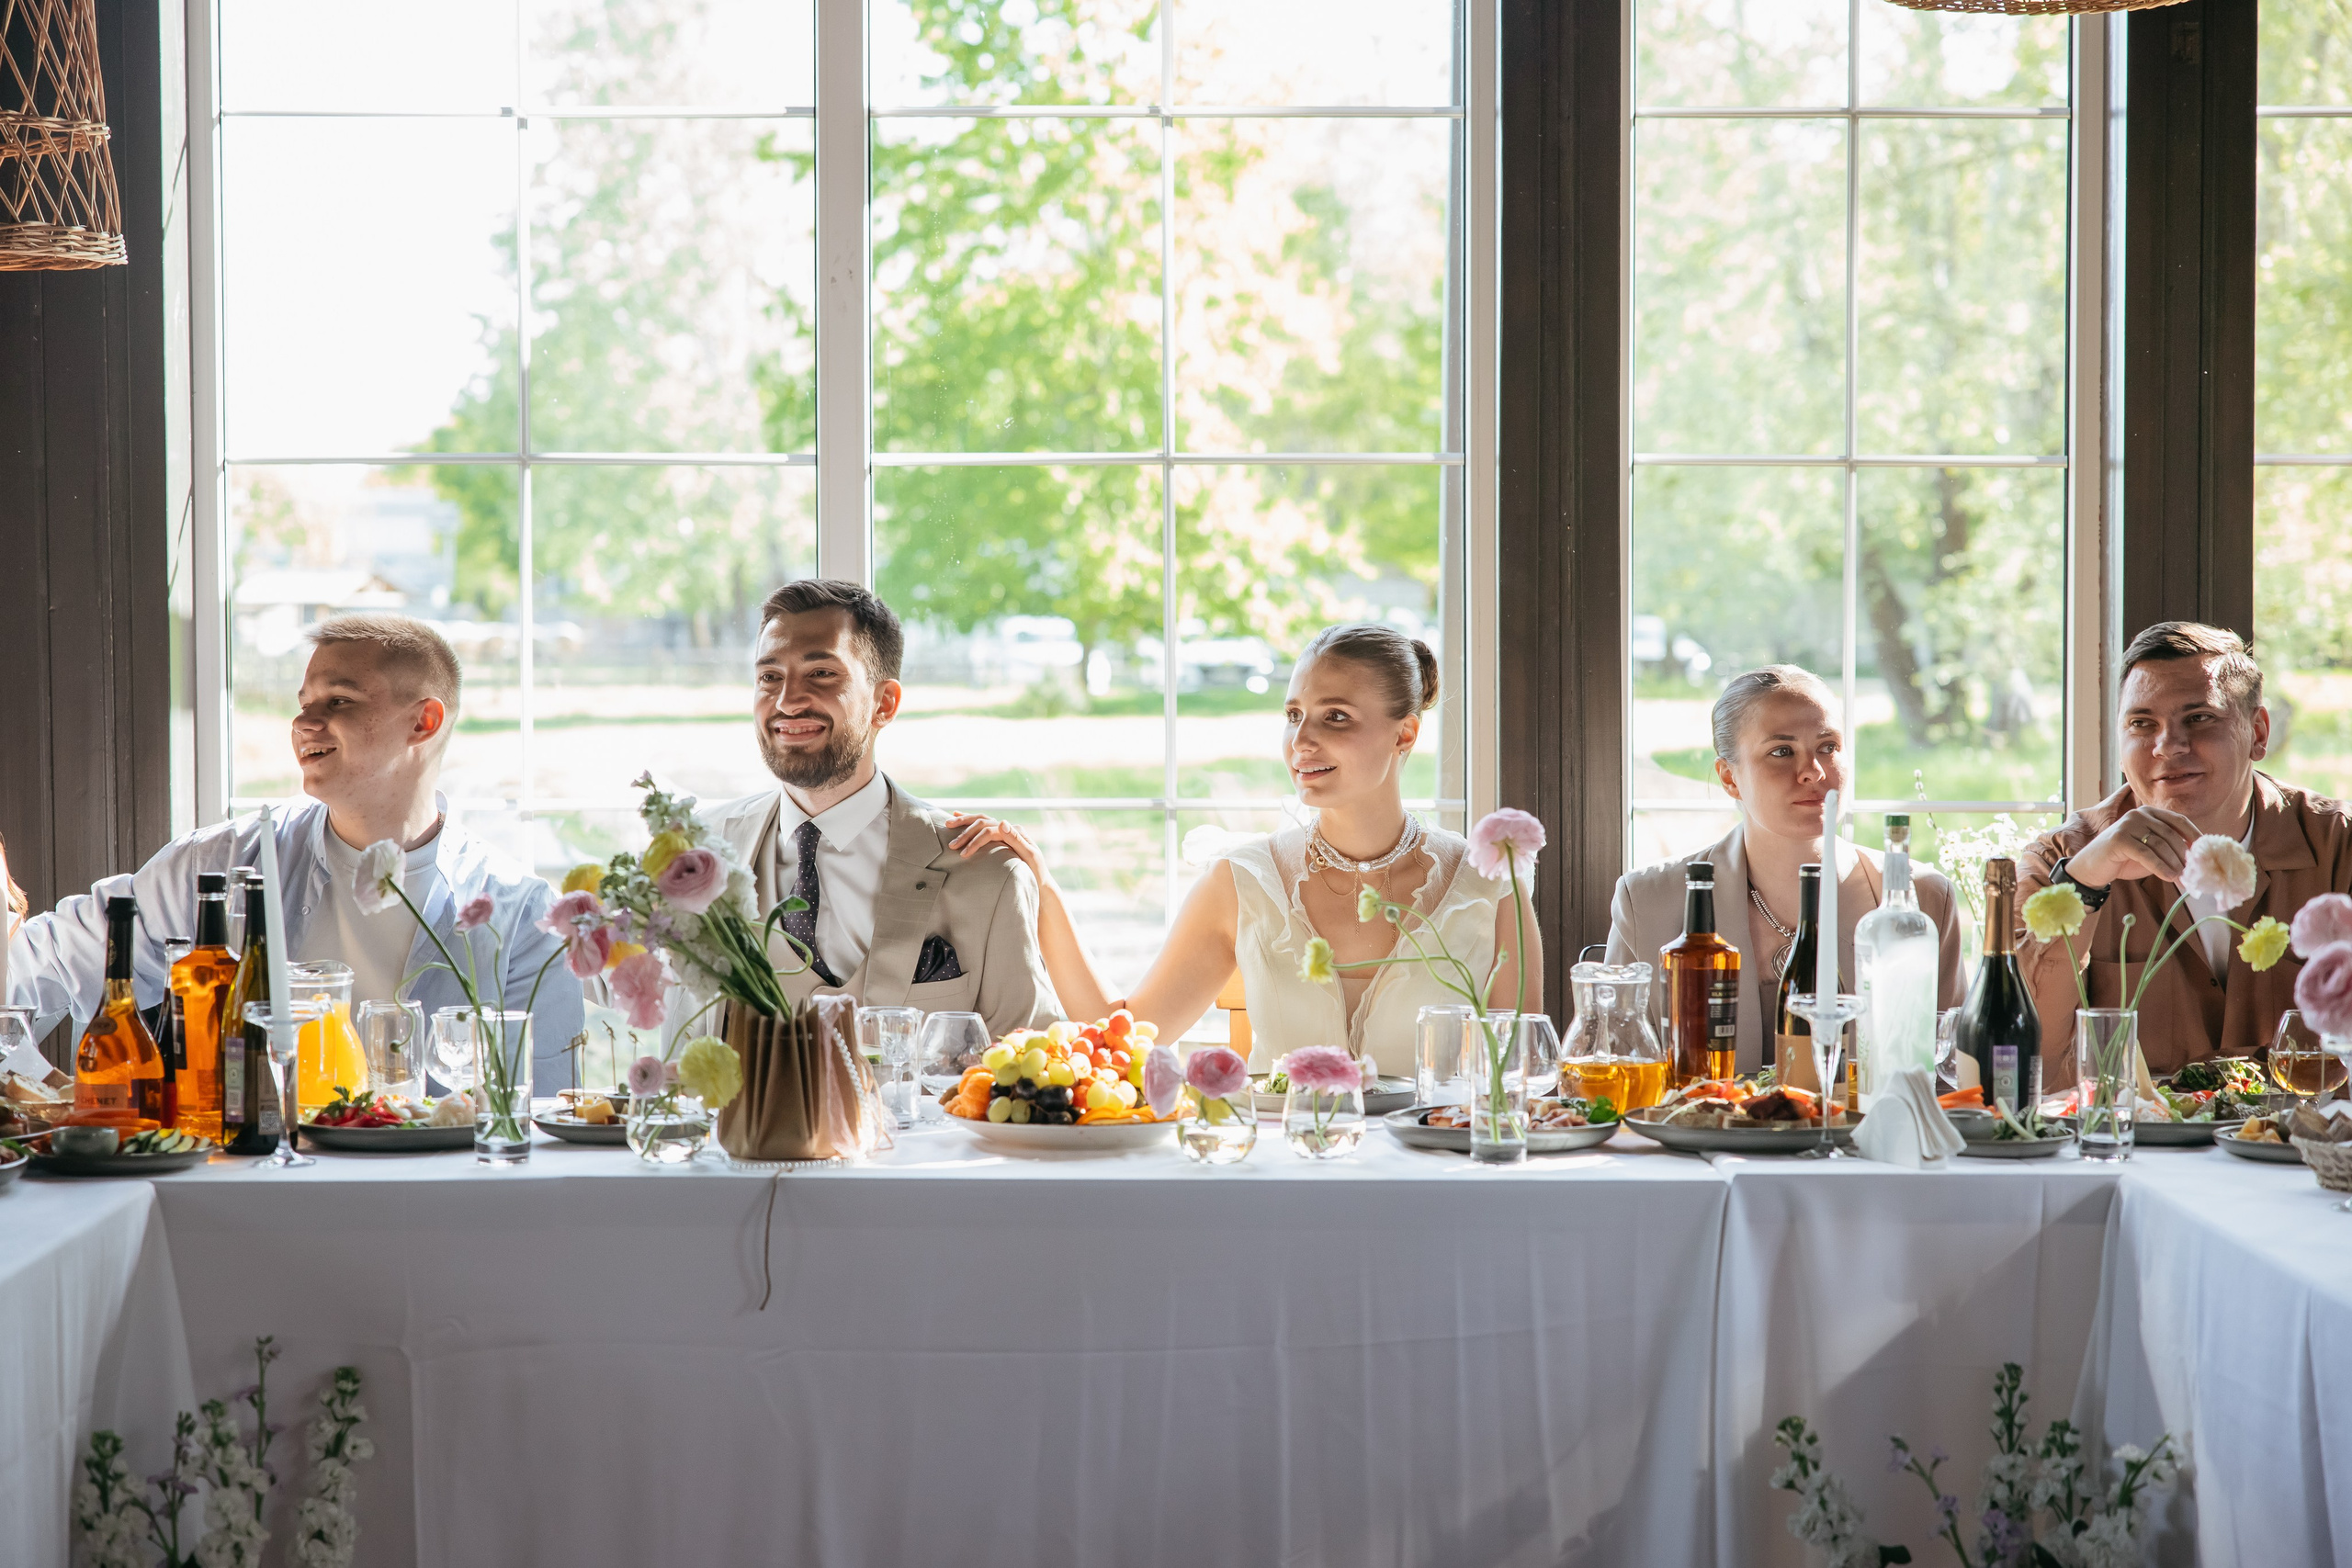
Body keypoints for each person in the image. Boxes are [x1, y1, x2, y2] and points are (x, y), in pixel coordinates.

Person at [6, 615, 583, 1085]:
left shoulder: (521, 913)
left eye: (339, 701)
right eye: (305, 700)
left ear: (423, 722)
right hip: (237, 1200)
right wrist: (47, 1092)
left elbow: (543, 1115)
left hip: (439, 1212)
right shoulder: (217, 867)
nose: (303, 721)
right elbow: (30, 971)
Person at [944, 623, 1540, 1078]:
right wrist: (1044, 887)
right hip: (1277, 1194)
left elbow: (1524, 1080)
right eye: (1293, 714)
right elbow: (1125, 1038)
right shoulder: (1246, 881)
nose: (1302, 740)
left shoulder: (1488, 883)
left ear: (1404, 733)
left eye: (1335, 717)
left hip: (1440, 1193)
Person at [698, 580, 1061, 1040]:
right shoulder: (696, 854)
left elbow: (1027, 1065)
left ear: (884, 704)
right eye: (769, 677)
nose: (787, 701)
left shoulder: (986, 872)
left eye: (822, 674)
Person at [2018, 621, 2352, 1079]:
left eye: (2199, 718)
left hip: (2301, 1147)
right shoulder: (2061, 859)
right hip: (2133, 1147)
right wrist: (2085, 884)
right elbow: (2019, 1055)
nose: (2168, 745)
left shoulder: (2340, 847)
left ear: (2257, 732)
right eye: (2141, 723)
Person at [1605, 665, 1966, 1073]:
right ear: (1729, 778)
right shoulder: (1648, 901)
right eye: (1782, 751)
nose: (1814, 770)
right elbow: (1617, 1067)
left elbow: (1949, 1076)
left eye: (1829, 747)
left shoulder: (1923, 897)